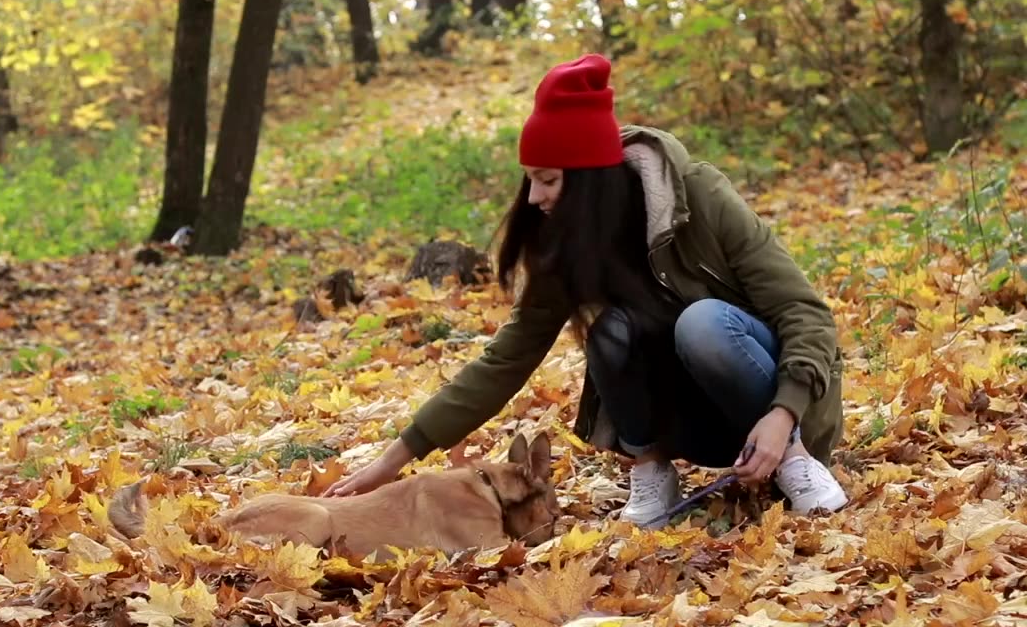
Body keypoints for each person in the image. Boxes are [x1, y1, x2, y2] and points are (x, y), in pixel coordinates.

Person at [324, 53, 849, 528]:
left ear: (591, 180)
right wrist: (393, 459)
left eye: (548, 180)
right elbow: (507, 357)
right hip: (700, 427)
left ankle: (797, 463)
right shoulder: (568, 243)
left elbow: (804, 313)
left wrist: (784, 415)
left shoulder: (700, 196)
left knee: (704, 322)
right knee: (611, 331)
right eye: (530, 179)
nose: (534, 197)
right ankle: (652, 472)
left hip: (778, 407)